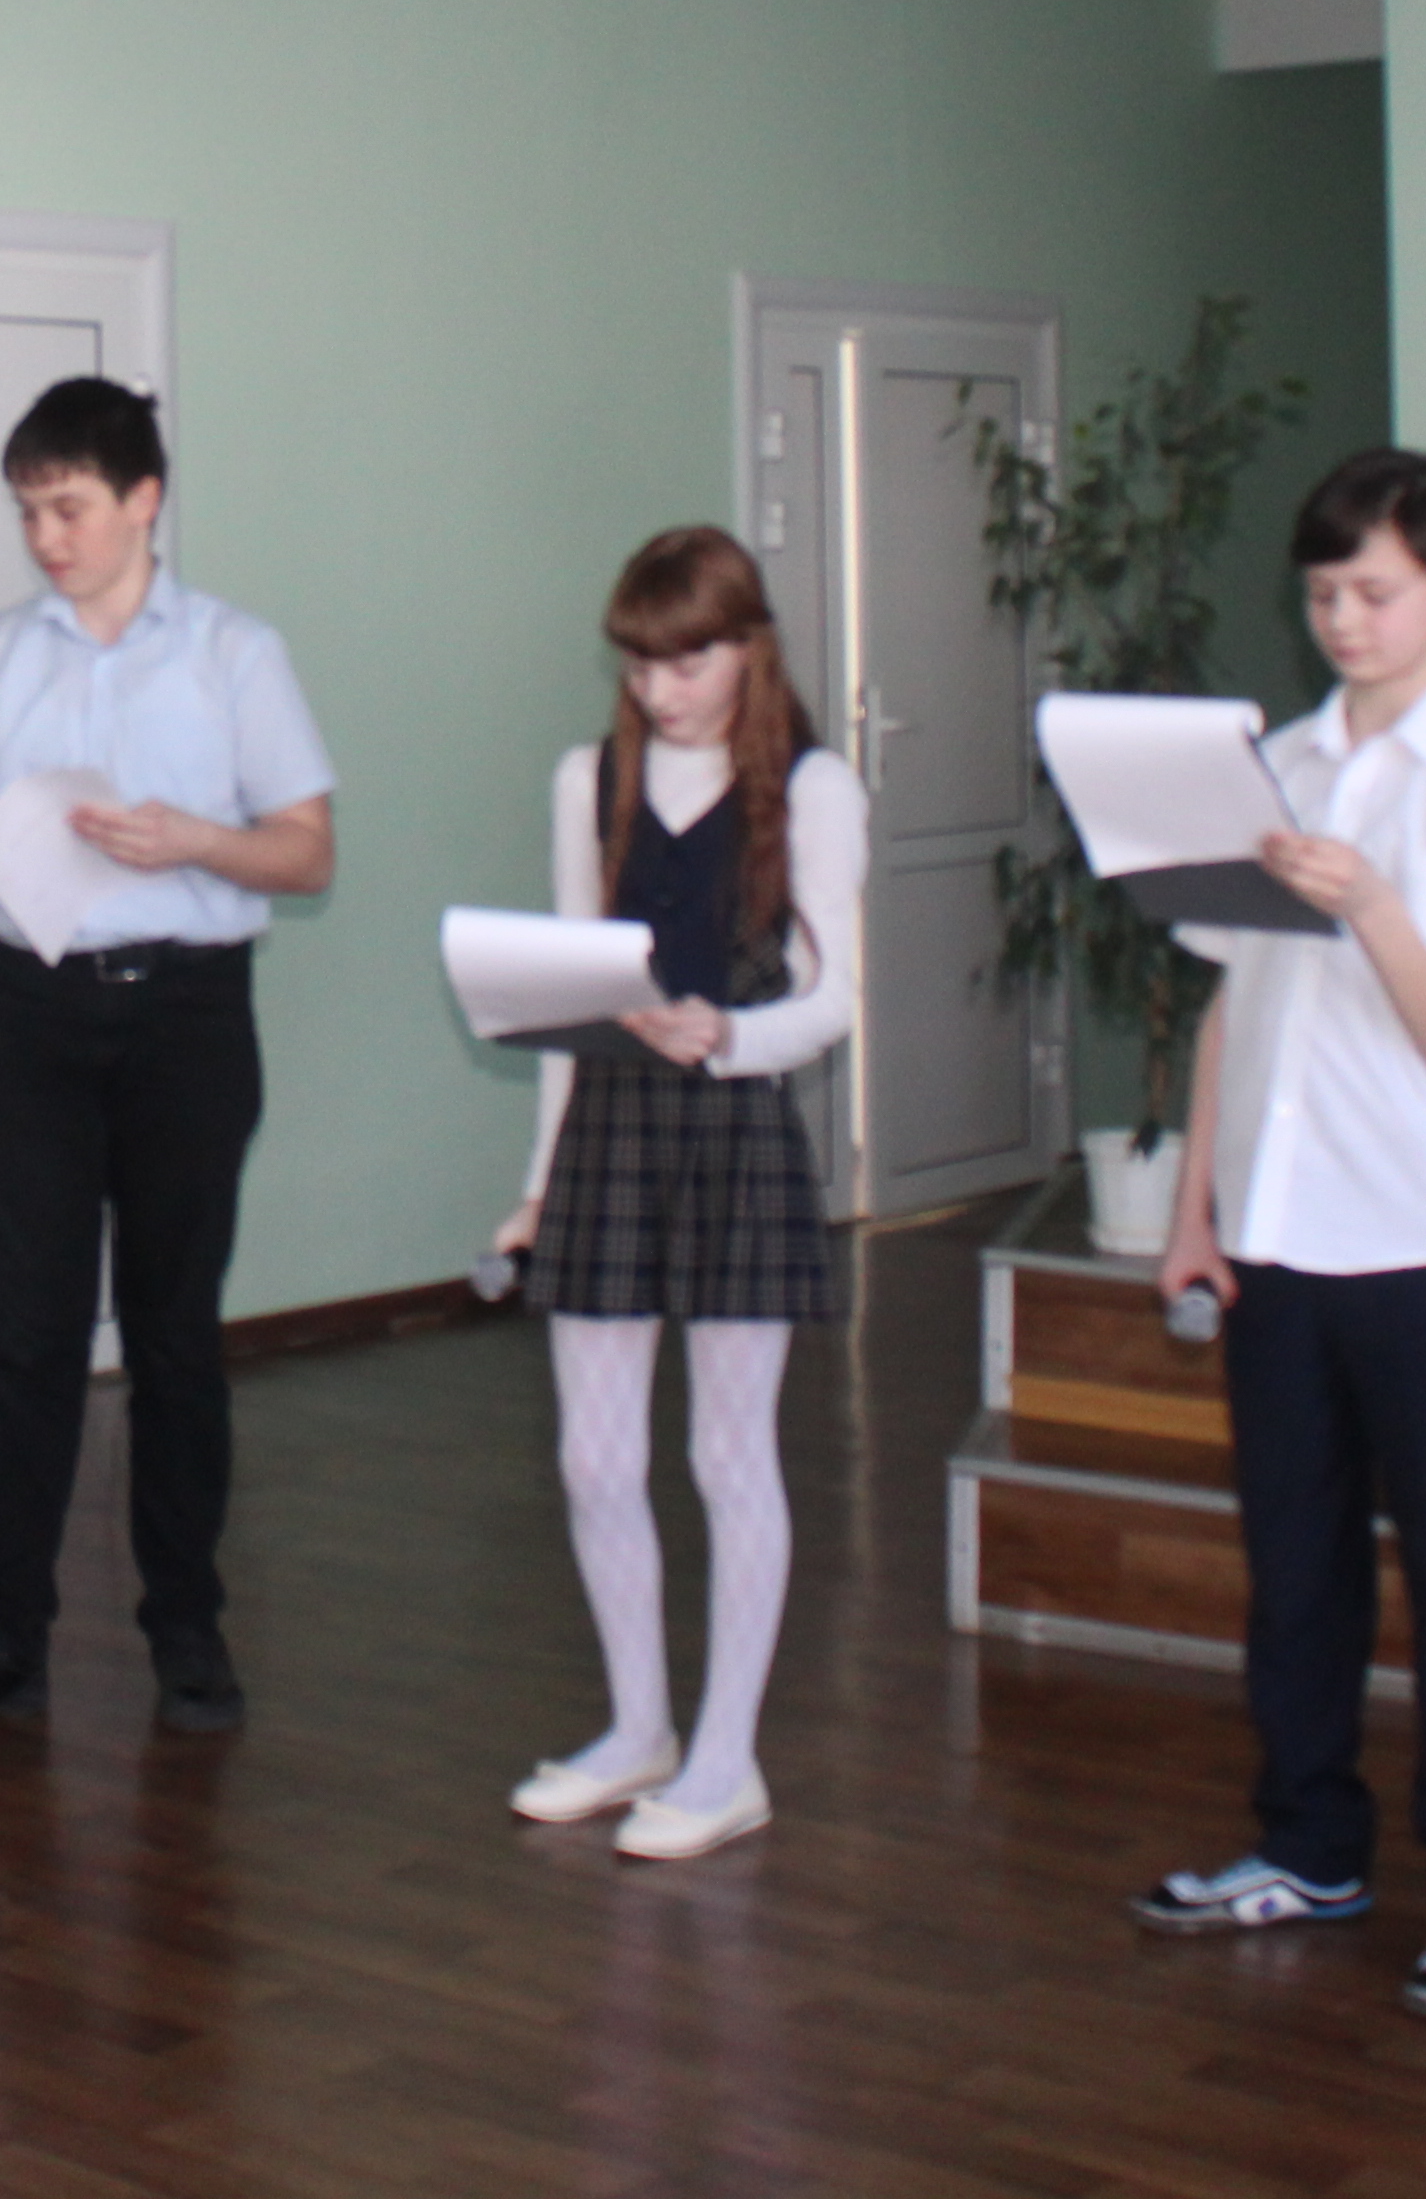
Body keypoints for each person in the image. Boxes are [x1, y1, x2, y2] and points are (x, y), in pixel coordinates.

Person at [0, 377, 334, 1747]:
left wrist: (193, 840)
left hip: (189, 1016)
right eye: (29, 510)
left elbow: (308, 850)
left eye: (69, 507)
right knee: (31, 1337)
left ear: (144, 500)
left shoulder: (234, 653)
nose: (46, 536)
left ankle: (188, 1630)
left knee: (173, 1332)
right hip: (34, 1015)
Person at [1135, 447, 1426, 2023]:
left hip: (1417, 1243)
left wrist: (1374, 903)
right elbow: (1232, 1005)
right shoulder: (1278, 769)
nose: (1344, 621)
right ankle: (1310, 1848)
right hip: (1275, 1240)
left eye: (1374, 591)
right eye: (1323, 594)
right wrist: (1193, 1212)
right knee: (1296, 1574)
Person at [487, 526, 866, 1861]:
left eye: (689, 663)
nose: (662, 691)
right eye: (642, 666)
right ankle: (639, 1728)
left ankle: (725, 1760)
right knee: (594, 1457)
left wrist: (731, 1035)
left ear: (749, 649)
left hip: (735, 1125)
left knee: (725, 1454)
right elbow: (570, 997)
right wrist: (538, 1188)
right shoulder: (587, 779)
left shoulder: (814, 786)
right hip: (611, 1128)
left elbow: (833, 998)